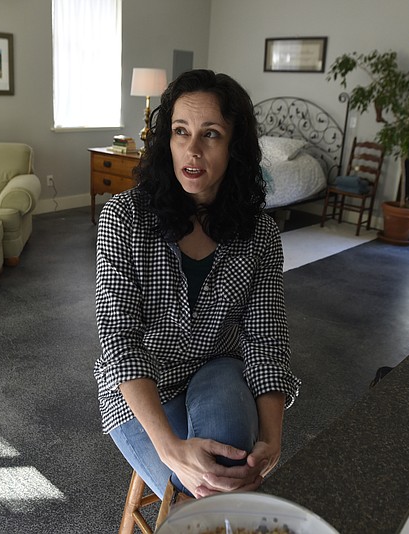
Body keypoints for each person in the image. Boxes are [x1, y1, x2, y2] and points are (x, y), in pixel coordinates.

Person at [94, 69, 300, 500]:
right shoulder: (124, 218)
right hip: (143, 382)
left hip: (218, 365)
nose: (192, 149)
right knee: (204, 488)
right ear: (165, 140)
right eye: (180, 131)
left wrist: (272, 437)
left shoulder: (259, 234)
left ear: (234, 147)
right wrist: (169, 450)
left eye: (211, 134)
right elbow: (120, 341)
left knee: (228, 467)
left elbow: (266, 339)